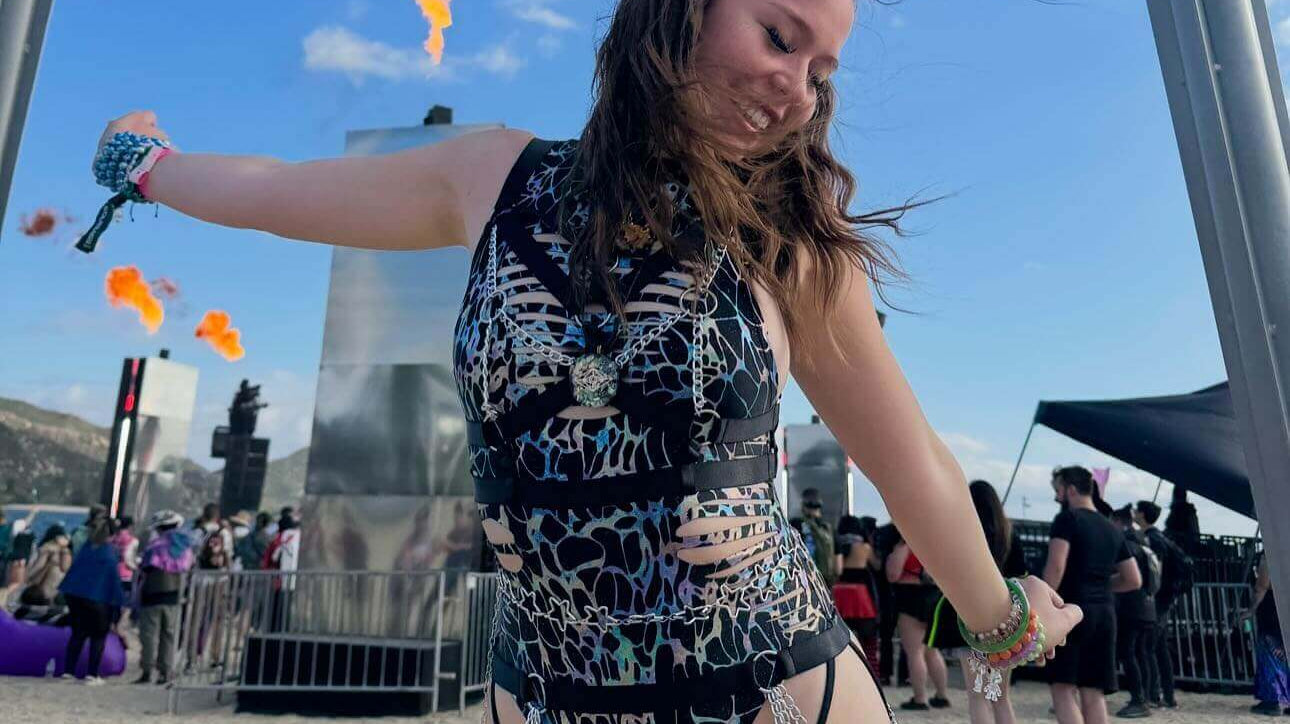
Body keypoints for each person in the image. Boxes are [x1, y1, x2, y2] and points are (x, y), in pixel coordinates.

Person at [91, 0, 1084, 716]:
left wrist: (1005, 617)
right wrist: (154, 169)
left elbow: (913, 466)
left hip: (772, 690)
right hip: (543, 691)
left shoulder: (792, 247)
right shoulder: (493, 177)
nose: (797, 87)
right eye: (781, 35)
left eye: (820, 73)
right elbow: (283, 191)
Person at [1045, 466, 1142, 724]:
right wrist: (1100, 585)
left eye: (1058, 491)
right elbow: (1133, 579)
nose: (1057, 497)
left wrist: (1044, 602)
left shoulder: (1068, 519)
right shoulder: (1112, 528)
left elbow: (1056, 566)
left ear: (1071, 490)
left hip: (1072, 612)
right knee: (1094, 691)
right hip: (1105, 615)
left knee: (1063, 688)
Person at [927, 480, 1027, 724]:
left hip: (968, 618)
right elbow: (1021, 576)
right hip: (1004, 620)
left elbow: (941, 573)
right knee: (1001, 696)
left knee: (978, 695)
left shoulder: (962, 534)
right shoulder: (1009, 535)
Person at [886, 529, 951, 711]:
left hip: (911, 596)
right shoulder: (935, 543)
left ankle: (920, 698)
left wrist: (898, 549)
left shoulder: (907, 542)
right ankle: (941, 695)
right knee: (932, 650)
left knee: (914, 652)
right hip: (934, 596)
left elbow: (893, 574)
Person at [58, 518, 125, 685]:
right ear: (111, 535)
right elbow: (113, 582)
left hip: (75, 596)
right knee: (98, 636)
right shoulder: (110, 553)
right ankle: (92, 674)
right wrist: (118, 606)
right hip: (98, 599)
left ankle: (68, 671)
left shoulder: (86, 549)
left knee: (78, 634)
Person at [1134, 500, 1185, 710]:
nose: (1134, 513)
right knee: (1160, 649)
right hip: (1166, 599)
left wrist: (1150, 595)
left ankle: (1153, 694)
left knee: (1148, 648)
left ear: (1143, 515)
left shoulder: (1153, 539)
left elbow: (1157, 572)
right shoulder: (1161, 537)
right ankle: (1169, 696)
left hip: (1158, 600)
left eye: (1137, 510)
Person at [135, 510, 196, 685]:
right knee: (169, 635)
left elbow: (144, 570)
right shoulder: (185, 547)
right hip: (175, 596)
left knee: (149, 635)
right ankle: (165, 672)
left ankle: (147, 672)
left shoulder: (154, 547)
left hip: (152, 595)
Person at [1111, 506, 1156, 719]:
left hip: (1132, 607)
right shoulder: (1145, 543)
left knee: (1128, 654)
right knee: (1141, 653)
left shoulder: (1127, 545)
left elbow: (1123, 576)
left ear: (1119, 522)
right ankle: (1144, 697)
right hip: (1148, 606)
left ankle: (1138, 700)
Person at [1244, 553, 1288, 716]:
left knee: (1271, 656)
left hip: (1272, 611)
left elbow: (1262, 585)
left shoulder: (1269, 553)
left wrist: (1250, 610)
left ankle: (1272, 700)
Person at [833, 515, 880, 668]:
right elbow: (877, 565)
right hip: (859, 592)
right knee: (868, 637)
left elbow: (835, 568)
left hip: (838, 590)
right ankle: (871, 668)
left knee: (839, 634)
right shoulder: (864, 547)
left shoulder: (836, 543)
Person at [20, 524, 73, 606]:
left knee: (40, 600)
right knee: (50, 601)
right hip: (59, 579)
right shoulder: (66, 550)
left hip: (46, 578)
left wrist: (27, 576)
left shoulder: (47, 547)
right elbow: (66, 568)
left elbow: (39, 565)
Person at [796, 488, 837, 586]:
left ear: (803, 505)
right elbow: (838, 566)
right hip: (825, 580)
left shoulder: (796, 524)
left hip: (803, 577)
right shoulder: (828, 528)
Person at [110, 516, 139, 602]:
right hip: (126, 574)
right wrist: (136, 567)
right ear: (130, 526)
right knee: (125, 602)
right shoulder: (132, 540)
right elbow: (129, 558)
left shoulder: (113, 538)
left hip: (113, 572)